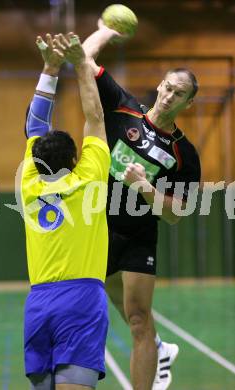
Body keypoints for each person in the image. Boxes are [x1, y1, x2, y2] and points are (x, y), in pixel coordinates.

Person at [79, 22, 201, 390]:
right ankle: (162, 349)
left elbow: (177, 214)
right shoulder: (123, 106)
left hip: (137, 235)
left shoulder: (184, 155)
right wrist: (104, 31)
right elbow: (83, 58)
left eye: (179, 94)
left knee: (137, 319)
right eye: (168, 87)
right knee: (105, 308)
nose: (169, 96)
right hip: (98, 226)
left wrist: (146, 188)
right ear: (160, 85)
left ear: (187, 103)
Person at [21, 32, 110, 390]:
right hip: (82, 300)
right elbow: (96, 116)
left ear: (35, 160)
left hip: (38, 304)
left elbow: (34, 124)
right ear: (74, 160)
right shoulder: (88, 179)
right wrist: (81, 64)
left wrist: (50, 67)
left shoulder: (29, 186)